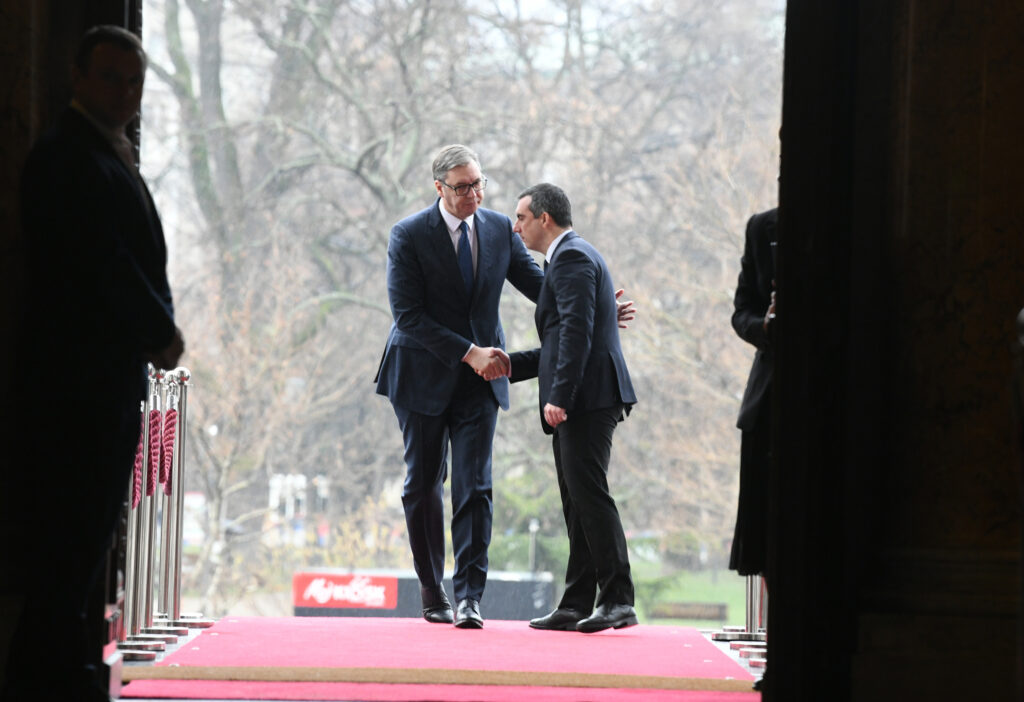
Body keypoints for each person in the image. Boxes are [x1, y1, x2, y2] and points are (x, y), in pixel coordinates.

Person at [2, 25, 184, 701]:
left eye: (133, 81)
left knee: (84, 548)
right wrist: (160, 331)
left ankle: (66, 673)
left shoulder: (103, 153)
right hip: (73, 388)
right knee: (67, 551)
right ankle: (47, 682)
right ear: (77, 77)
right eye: (109, 76)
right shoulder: (64, 156)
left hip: (99, 383)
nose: (123, 91)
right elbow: (103, 264)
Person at [374, 144, 545, 629]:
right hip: (422, 373)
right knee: (424, 484)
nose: (474, 193)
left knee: (476, 486)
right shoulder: (408, 235)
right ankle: (432, 591)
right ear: (439, 189)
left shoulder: (496, 228)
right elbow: (407, 315)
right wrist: (467, 352)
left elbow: (537, 285)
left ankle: (470, 597)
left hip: (480, 381)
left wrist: (590, 301)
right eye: (463, 187)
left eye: (479, 183)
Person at [507, 183, 639, 633]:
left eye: (522, 217)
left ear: (545, 218)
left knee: (589, 495)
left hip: (588, 397)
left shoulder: (573, 257)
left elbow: (579, 332)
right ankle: (578, 601)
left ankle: (618, 598)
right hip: (586, 393)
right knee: (575, 499)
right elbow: (563, 337)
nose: (516, 226)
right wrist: (510, 365)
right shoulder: (566, 259)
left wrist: (559, 395)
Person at [728, 207, 777, 691]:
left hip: (835, 400)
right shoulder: (764, 228)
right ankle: (779, 657)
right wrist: (764, 326)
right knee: (768, 537)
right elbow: (741, 312)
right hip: (771, 401)